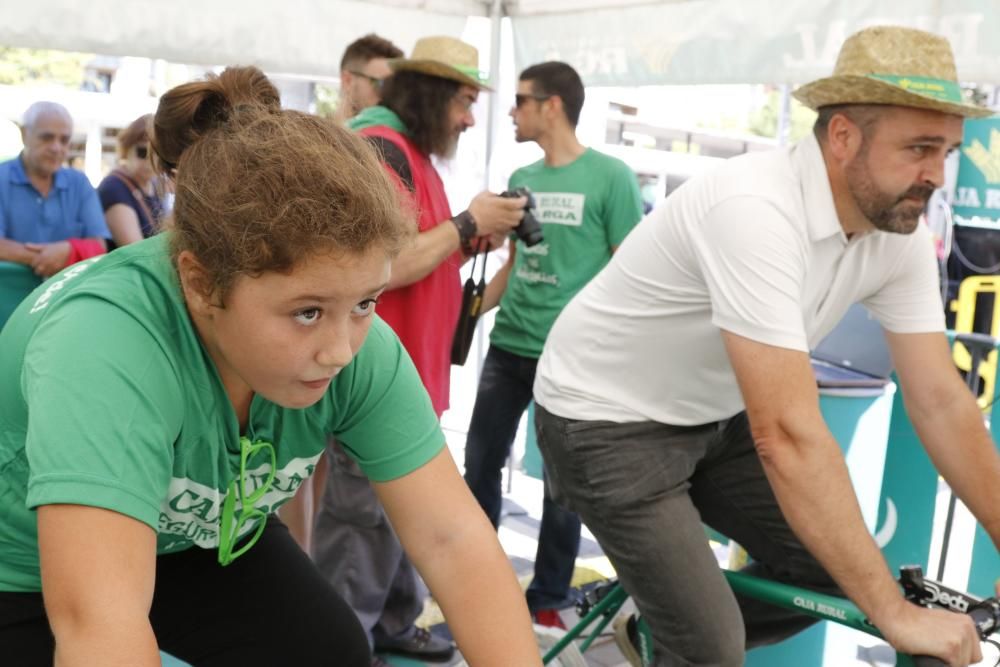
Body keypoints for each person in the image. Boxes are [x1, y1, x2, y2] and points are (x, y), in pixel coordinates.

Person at [0, 65, 542, 667]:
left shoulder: (359, 342)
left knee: (329, 652)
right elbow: (97, 629)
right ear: (202, 285)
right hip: (22, 573)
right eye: (307, 312)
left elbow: (454, 541)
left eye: (366, 301)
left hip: (196, 538)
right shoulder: (106, 343)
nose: (341, 350)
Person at [532, 25, 1000, 667]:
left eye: (945, 151)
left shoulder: (899, 230)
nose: (935, 176)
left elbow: (942, 402)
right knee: (712, 649)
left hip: (710, 415)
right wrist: (893, 617)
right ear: (842, 137)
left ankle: (656, 630)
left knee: (841, 574)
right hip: (603, 420)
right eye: (919, 148)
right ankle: (679, 635)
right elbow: (785, 433)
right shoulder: (756, 208)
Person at [308, 35, 527, 665]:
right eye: (464, 100)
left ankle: (393, 625)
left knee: (399, 520)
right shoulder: (383, 149)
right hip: (374, 386)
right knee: (360, 524)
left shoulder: (413, 155)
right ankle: (343, 645)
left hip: (411, 380)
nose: (470, 117)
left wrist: (463, 241)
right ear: (431, 94)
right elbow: (382, 263)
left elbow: (418, 256)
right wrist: (463, 225)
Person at [463, 61, 643, 627]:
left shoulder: (611, 176)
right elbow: (515, 266)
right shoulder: (524, 176)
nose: (511, 111)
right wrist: (463, 311)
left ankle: (547, 601)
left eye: (520, 100)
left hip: (570, 358)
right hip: (508, 346)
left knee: (561, 487)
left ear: (553, 105)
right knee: (479, 465)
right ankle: (477, 579)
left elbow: (630, 270)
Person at [0, 101, 108, 277]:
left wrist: (68, 250)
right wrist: (54, 256)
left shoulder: (79, 183)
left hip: (65, 298)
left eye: (64, 140)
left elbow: (100, 245)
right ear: (24, 134)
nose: (57, 148)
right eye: (47, 137)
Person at [97, 113, 165, 248]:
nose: (151, 161)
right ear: (127, 148)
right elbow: (136, 250)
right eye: (143, 152)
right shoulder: (114, 187)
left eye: (158, 153)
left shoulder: (153, 184)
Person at [334, 34, 403, 125]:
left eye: (396, 87)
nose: (388, 95)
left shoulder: (397, 134)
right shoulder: (318, 136)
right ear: (347, 80)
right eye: (381, 84)